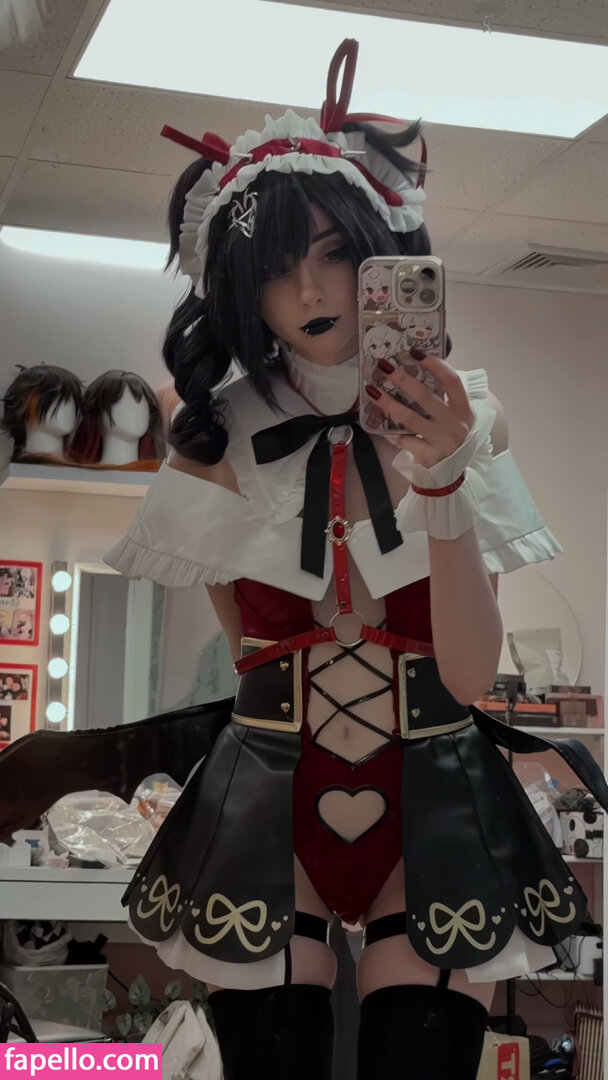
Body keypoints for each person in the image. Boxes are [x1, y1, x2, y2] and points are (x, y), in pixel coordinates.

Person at [106, 39, 608, 1080]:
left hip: (434, 793)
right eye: (274, 268)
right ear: (237, 287)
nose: (309, 288)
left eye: (335, 252)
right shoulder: (211, 438)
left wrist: (444, 481)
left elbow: (467, 674)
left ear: (380, 252)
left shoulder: (465, 416)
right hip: (269, 798)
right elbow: (250, 655)